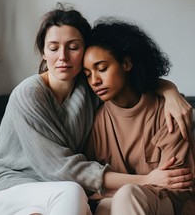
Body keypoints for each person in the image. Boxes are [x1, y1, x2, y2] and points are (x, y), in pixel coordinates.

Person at [0, 4, 192, 215]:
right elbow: (60, 170)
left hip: (61, 191)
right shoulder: (28, 94)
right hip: (15, 185)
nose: (63, 56)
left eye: (73, 47)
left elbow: (132, 78)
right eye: (53, 48)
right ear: (43, 52)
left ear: (85, 50)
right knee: (72, 193)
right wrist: (145, 180)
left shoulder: (90, 87)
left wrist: (171, 92)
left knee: (84, 201)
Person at [83, 18, 195, 215]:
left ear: (126, 63)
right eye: (87, 74)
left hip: (170, 205)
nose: (95, 81)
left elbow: (178, 184)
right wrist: (144, 180)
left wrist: (125, 189)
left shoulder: (169, 111)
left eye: (102, 69)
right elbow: (91, 189)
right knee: (106, 207)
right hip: (119, 205)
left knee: (127, 196)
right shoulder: (97, 119)